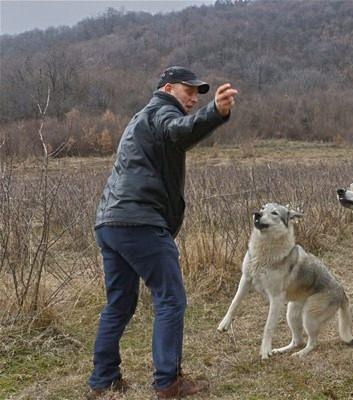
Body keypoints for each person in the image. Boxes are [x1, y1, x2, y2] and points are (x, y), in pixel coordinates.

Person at [87, 66, 238, 399]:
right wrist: (215, 112)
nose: (194, 98)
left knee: (119, 304)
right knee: (170, 299)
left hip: (110, 222)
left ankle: (104, 380)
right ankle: (168, 383)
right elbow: (181, 132)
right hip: (140, 221)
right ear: (169, 88)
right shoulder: (160, 112)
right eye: (190, 91)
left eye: (200, 95)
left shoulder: (141, 118)